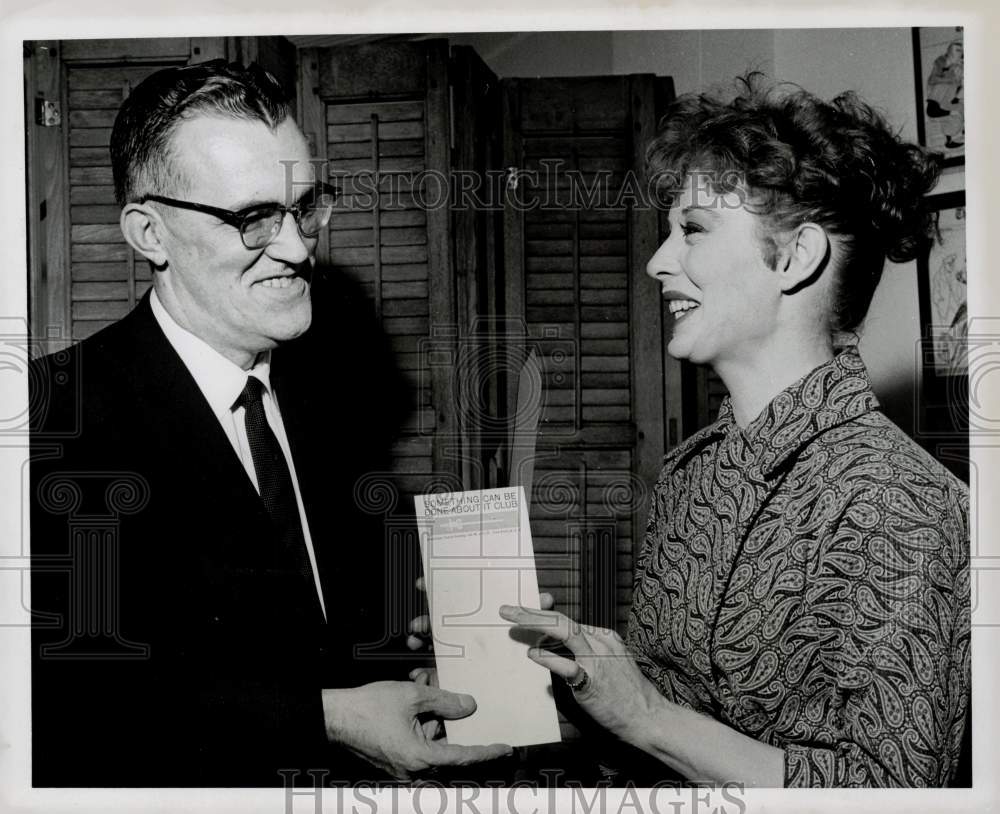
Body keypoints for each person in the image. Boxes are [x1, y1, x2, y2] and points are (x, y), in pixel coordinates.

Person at [29, 59, 511, 787]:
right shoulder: (47, 418)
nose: (297, 248)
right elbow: (62, 705)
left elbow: (320, 643)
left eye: (306, 206)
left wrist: (424, 670)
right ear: (149, 233)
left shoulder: (327, 401)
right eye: (254, 218)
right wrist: (329, 720)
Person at [500, 76, 970, 787]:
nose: (658, 262)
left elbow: (891, 794)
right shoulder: (692, 474)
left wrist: (645, 716)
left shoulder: (907, 506)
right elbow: (658, 714)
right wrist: (534, 683)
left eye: (691, 229)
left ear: (794, 257)